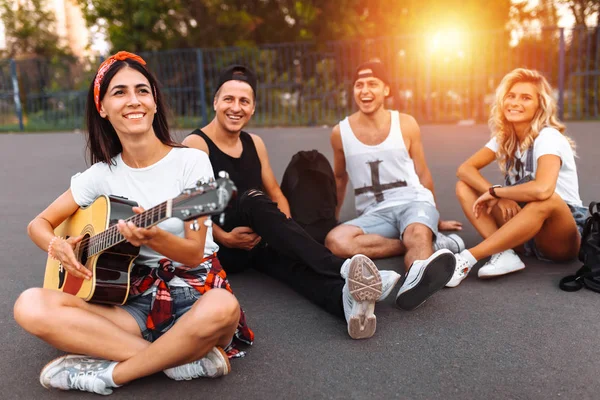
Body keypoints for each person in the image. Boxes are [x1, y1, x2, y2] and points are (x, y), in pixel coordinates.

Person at [13, 52, 253, 396]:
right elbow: (39, 223)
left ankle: (110, 374)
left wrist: (153, 238)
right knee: (30, 306)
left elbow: (192, 253)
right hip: (132, 298)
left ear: (155, 102)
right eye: (119, 92)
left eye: (142, 90)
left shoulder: (191, 162)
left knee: (223, 307)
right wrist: (59, 245)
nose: (133, 100)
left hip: (196, 294)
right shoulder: (100, 175)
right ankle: (179, 358)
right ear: (102, 108)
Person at [183, 65, 405, 340]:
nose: (236, 107)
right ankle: (343, 268)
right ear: (215, 102)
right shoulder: (196, 144)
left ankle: (348, 304)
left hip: (258, 240)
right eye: (228, 99)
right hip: (221, 246)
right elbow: (190, 210)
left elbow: (276, 193)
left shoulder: (255, 142)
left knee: (295, 267)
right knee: (252, 198)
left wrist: (285, 231)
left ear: (252, 108)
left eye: (244, 101)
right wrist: (226, 238)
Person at [324, 61, 465, 311]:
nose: (365, 91)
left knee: (417, 233)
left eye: (372, 84)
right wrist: (332, 218)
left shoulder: (406, 123)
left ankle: (417, 279)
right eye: (359, 85)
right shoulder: (340, 132)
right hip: (375, 212)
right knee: (336, 241)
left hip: (413, 200)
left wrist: (435, 218)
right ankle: (436, 243)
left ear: (386, 90)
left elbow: (422, 171)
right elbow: (339, 177)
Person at [449, 68, 587, 287]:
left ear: (539, 105)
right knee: (463, 186)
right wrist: (498, 197)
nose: (515, 102)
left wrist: (496, 192)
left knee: (547, 199)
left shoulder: (548, 137)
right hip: (523, 224)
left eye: (526, 97)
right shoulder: (504, 138)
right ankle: (504, 254)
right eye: (511, 96)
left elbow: (542, 190)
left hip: (559, 232)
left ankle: (467, 259)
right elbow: (465, 169)